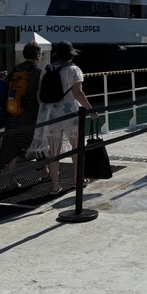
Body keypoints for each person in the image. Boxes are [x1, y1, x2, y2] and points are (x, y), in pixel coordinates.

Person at [33, 41, 97, 195]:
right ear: (70, 56)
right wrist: (91, 110)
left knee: (54, 151)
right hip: (70, 113)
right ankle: (77, 181)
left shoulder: (46, 69)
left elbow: (39, 93)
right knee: (76, 147)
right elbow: (77, 93)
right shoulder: (74, 69)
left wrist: (47, 108)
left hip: (50, 113)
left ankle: (55, 186)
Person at [0, 40, 44, 188]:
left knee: (12, 145)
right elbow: (38, 95)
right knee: (39, 142)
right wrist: (44, 111)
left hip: (13, 112)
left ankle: (10, 180)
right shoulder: (38, 72)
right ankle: (45, 172)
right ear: (37, 55)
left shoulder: (15, 69)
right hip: (30, 113)